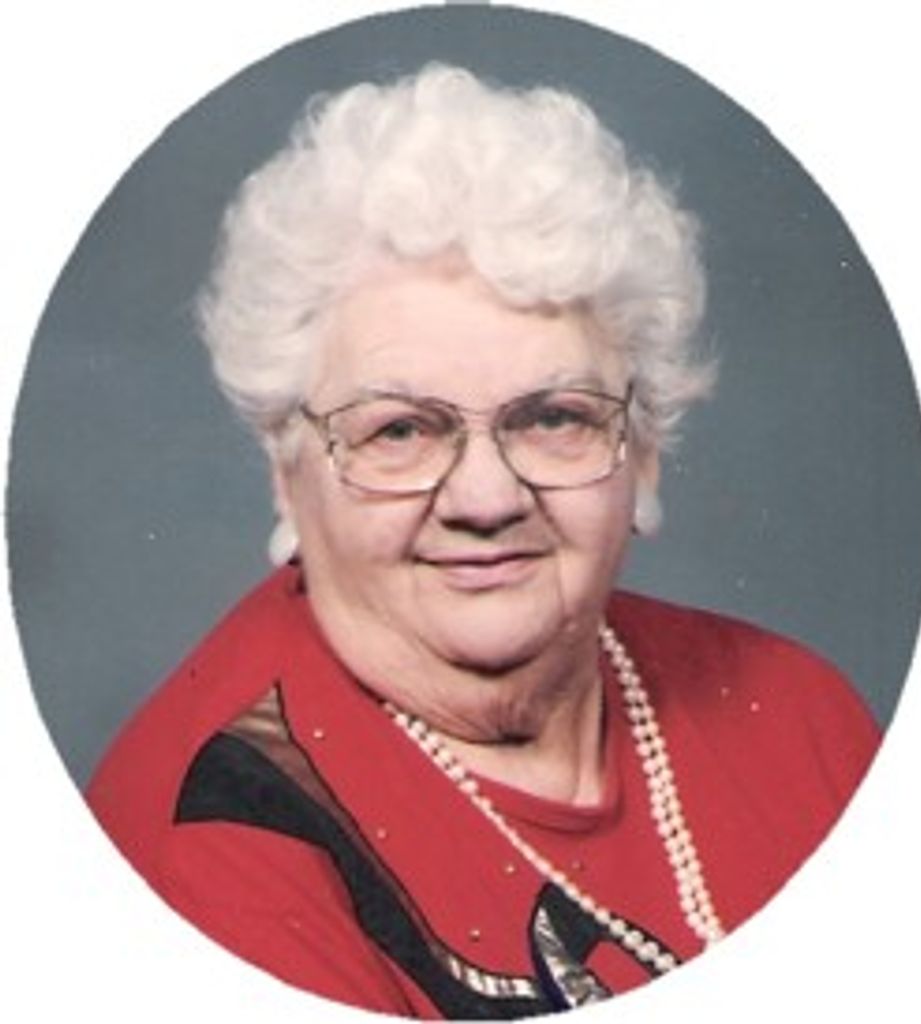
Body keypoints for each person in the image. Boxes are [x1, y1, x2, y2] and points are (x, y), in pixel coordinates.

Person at [87, 64, 879, 1017]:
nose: (486, 497)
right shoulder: (219, 831)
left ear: (644, 451)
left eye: (554, 417)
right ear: (288, 472)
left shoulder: (804, 722)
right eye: (400, 431)